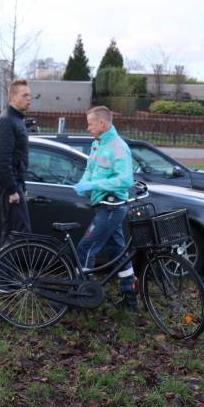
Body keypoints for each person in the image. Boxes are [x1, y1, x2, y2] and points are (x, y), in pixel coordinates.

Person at [73, 106, 138, 311]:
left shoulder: (118, 147)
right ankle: (130, 298)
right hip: (103, 205)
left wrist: (94, 186)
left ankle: (83, 297)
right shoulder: (97, 143)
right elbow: (90, 169)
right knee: (118, 250)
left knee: (85, 249)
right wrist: (83, 184)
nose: (88, 127)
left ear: (102, 123)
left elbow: (125, 180)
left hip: (112, 207)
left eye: (91, 123)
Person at [0, 80, 32, 244]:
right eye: (25, 95)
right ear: (13, 97)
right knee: (19, 232)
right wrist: (13, 189)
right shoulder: (6, 121)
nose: (29, 99)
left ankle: (3, 270)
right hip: (9, 186)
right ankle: (8, 270)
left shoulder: (16, 119)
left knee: (12, 232)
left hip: (15, 184)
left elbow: (18, 157)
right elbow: (2, 160)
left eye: (30, 95)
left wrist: (21, 186)